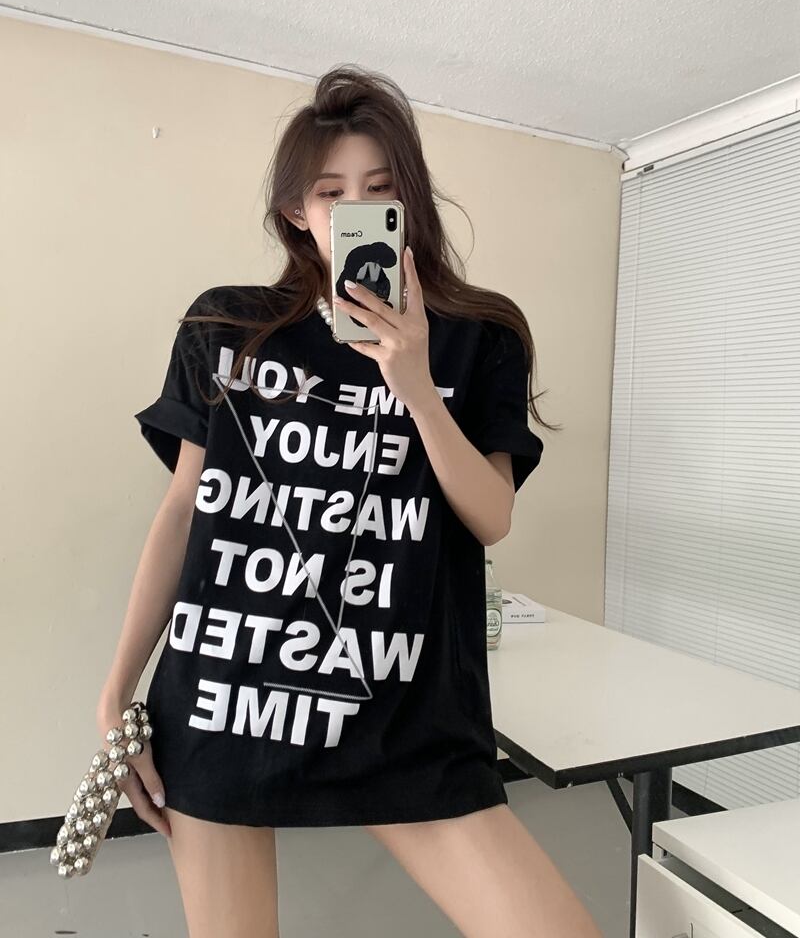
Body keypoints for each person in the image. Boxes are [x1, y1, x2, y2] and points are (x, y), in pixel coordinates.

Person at [96, 64, 602, 938]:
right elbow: (183, 515)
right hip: (228, 698)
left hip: (405, 712)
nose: (354, 207)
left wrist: (416, 385)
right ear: (296, 210)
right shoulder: (227, 327)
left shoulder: (481, 336)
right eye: (330, 192)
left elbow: (490, 516)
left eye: (379, 187)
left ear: (409, 199)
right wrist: (116, 694)